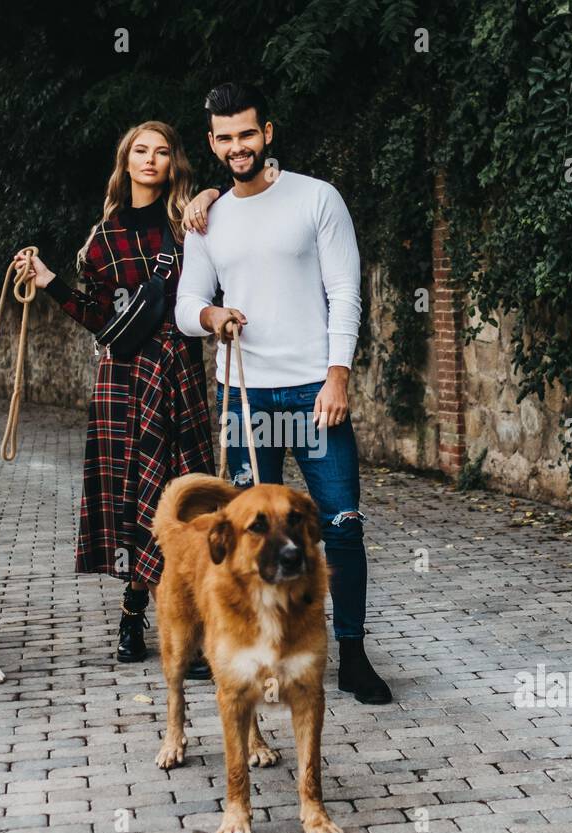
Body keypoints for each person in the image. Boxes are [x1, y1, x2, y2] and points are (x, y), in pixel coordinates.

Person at [174, 82, 392, 704]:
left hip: (311, 394)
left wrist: (338, 373)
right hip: (245, 395)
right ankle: (251, 647)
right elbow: (189, 304)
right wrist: (214, 319)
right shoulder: (207, 217)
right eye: (225, 137)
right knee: (249, 534)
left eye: (247, 134)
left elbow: (344, 292)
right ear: (212, 143)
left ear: (266, 133)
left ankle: (351, 653)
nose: (237, 146)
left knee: (342, 526)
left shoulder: (317, 198)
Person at [16, 121, 213, 676]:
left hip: (180, 376)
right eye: (140, 152)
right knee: (138, 499)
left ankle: (190, 626)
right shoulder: (103, 238)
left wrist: (211, 192)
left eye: (163, 152)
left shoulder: (193, 226)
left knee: (190, 502)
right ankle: (133, 612)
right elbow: (100, 320)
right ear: (126, 163)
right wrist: (49, 278)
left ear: (175, 163)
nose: (151, 160)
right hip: (124, 381)